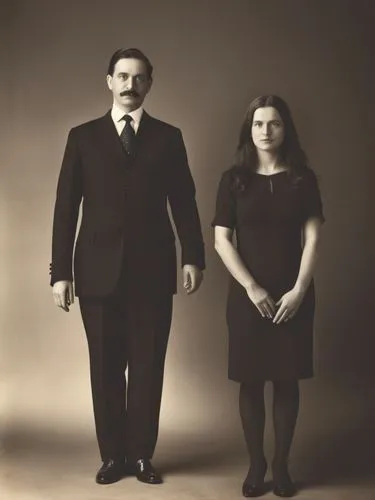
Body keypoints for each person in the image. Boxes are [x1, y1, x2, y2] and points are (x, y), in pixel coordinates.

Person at [50, 48, 205, 486]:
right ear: (108, 81)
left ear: (149, 84)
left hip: (153, 270)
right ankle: (111, 456)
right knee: (104, 366)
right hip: (96, 272)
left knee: (148, 365)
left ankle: (141, 456)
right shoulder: (82, 136)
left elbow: (185, 202)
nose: (129, 84)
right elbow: (65, 208)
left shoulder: (168, 137)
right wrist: (60, 272)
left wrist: (193, 256)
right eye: (122, 76)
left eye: (138, 78)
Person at [213, 95, 324, 498]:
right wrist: (251, 287)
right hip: (248, 296)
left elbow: (312, 239)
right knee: (251, 380)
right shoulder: (233, 180)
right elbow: (222, 240)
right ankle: (256, 463)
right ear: (249, 130)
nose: (265, 131)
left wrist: (299, 290)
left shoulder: (302, 179)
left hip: (293, 293)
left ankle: (281, 465)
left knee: (287, 379)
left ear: (285, 129)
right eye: (258, 124)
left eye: (273, 123)